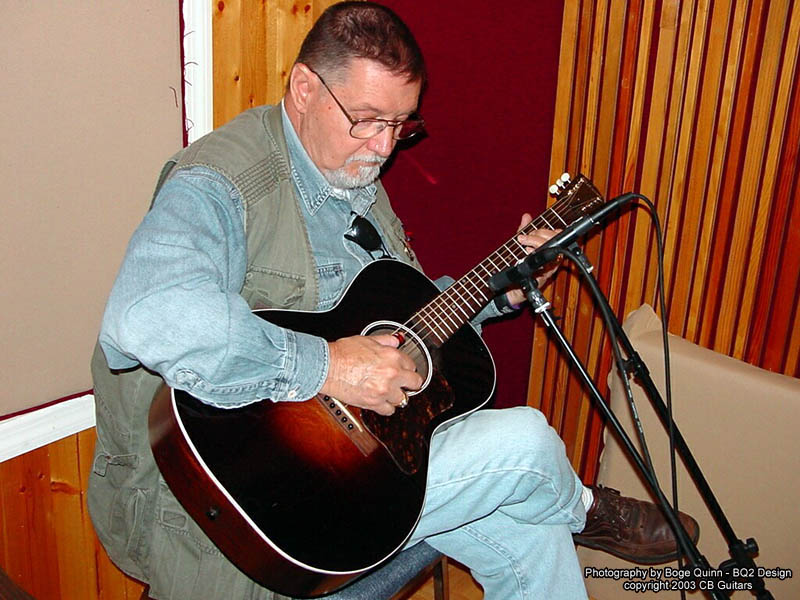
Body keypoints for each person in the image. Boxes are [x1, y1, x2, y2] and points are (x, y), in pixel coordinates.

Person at [88, 3, 698, 599]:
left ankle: (558, 509)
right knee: (526, 442)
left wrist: (500, 288)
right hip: (255, 506)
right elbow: (149, 316)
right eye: (367, 120)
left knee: (532, 533)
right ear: (304, 88)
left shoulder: (352, 175)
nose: (383, 147)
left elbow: (400, 327)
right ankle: (582, 507)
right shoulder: (221, 182)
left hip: (367, 472)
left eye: (400, 124)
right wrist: (330, 366)